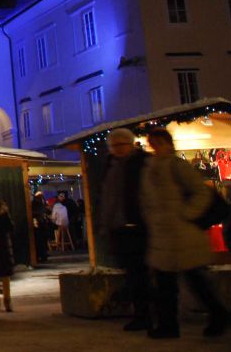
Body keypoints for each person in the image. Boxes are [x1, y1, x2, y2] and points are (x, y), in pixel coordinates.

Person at [140, 128, 230, 338]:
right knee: (169, 283)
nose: (157, 147)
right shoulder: (151, 168)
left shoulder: (176, 165)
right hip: (163, 234)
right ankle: (170, 325)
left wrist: (186, 213)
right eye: (153, 143)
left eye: (160, 143)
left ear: (169, 144)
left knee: (193, 280)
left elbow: (200, 192)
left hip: (183, 234)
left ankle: (216, 314)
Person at [99, 128, 150, 331]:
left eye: (121, 145)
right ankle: (141, 313)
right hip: (120, 227)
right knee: (132, 272)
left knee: (140, 273)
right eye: (114, 146)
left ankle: (145, 314)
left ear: (131, 144)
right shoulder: (110, 165)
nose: (117, 149)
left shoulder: (142, 163)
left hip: (139, 225)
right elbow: (108, 198)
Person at [31, 191, 50, 263]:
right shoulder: (40, 203)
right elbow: (43, 211)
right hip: (40, 223)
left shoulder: (35, 203)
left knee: (39, 240)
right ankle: (43, 255)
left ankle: (41, 255)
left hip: (38, 223)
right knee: (42, 240)